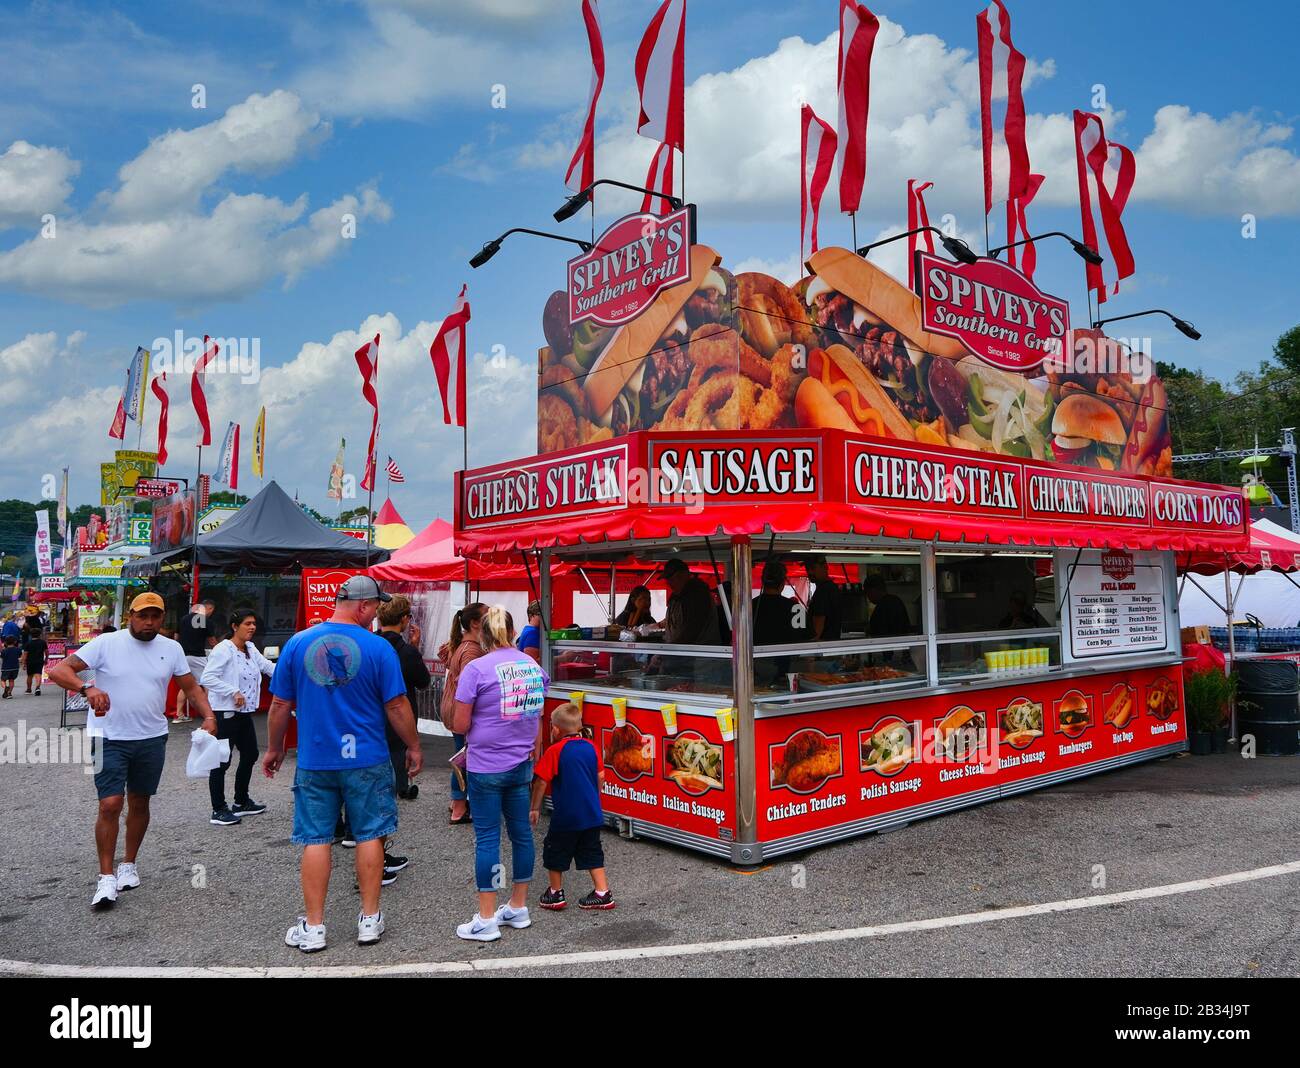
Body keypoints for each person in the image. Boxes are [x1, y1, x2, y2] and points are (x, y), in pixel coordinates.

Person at [263, 575, 422, 953]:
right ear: (363, 606)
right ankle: (369, 919)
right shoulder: (379, 647)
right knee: (369, 833)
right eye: (375, 607)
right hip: (367, 756)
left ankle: (315, 927)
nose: (377, 614)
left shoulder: (298, 643)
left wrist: (274, 748)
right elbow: (396, 705)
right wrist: (414, 745)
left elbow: (280, 704)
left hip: (317, 758)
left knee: (316, 837)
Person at [46, 593, 216, 910]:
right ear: (130, 617)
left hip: (151, 737)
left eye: (155, 616)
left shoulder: (172, 648)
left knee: (140, 801)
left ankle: (129, 864)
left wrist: (209, 716)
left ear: (162, 618)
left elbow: (190, 687)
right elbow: (58, 671)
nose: (149, 622)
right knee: (110, 803)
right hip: (106, 736)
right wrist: (88, 687)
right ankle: (106, 877)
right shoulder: (106, 644)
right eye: (142, 616)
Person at [451, 606, 550, 942]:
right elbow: (537, 715)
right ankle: (518, 906)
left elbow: (460, 724)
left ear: (483, 634)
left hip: (486, 766)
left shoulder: (477, 669)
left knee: (489, 840)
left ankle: (487, 916)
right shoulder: (533, 666)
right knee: (522, 835)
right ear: (511, 631)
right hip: (521, 764)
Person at [530, 701, 614, 911]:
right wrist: (593, 794)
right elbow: (601, 776)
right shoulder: (592, 747)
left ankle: (555, 892)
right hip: (591, 813)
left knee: (555, 850)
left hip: (566, 815)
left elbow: (541, 781)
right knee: (592, 850)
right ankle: (602, 892)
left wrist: (534, 807)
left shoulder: (555, 750)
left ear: (556, 729)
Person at [201, 611, 276, 826]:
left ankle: (241, 801)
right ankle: (218, 809)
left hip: (243, 713)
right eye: (247, 624)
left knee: (250, 754)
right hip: (224, 714)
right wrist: (232, 690)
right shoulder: (223, 650)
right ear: (235, 626)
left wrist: (292, 671)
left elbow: (268, 668)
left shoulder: (251, 649)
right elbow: (207, 677)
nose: (252, 627)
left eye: (254, 624)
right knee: (221, 761)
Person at [377, 596, 430, 800]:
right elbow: (423, 681)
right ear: (404, 620)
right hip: (400, 711)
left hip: (371, 711)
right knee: (398, 749)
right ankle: (401, 785)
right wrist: (415, 649)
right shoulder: (407, 652)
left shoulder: (368, 644)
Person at [439, 602, 486, 825]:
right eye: (487, 616)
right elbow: (468, 686)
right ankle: (459, 806)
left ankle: (457, 803)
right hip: (460, 710)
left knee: (463, 755)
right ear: (475, 623)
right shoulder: (472, 650)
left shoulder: (465, 646)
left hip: (453, 708)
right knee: (465, 758)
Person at [752, 560, 800, 684]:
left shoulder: (749, 607)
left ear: (763, 581)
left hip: (754, 668)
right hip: (787, 670)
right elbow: (808, 638)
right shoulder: (795, 608)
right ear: (783, 584)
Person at [660, 558, 720, 645]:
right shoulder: (678, 597)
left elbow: (690, 631)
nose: (669, 584)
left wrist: (669, 651)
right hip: (684, 653)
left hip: (699, 654)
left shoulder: (697, 595)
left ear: (685, 575)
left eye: (672, 579)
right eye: (668, 580)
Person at [175, 599, 216, 721]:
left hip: (183, 655)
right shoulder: (205, 621)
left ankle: (179, 714)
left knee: (186, 685)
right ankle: (211, 713)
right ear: (208, 608)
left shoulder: (184, 619)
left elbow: (176, 636)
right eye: (211, 610)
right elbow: (212, 641)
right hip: (198, 656)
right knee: (208, 683)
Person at [805, 555, 844, 641]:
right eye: (807, 568)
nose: (810, 572)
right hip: (830, 646)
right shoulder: (832, 588)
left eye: (813, 568)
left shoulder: (823, 591)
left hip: (822, 648)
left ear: (825, 567)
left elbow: (816, 631)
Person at [22, 624, 48, 696]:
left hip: (30, 661)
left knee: (29, 675)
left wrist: (24, 663)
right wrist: (46, 658)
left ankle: (28, 689)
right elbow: (46, 651)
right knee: (38, 674)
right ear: (39, 634)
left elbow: (25, 654)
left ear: (31, 635)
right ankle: (37, 688)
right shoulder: (43, 642)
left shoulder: (28, 643)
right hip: (39, 661)